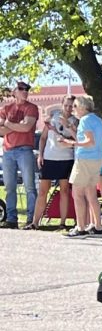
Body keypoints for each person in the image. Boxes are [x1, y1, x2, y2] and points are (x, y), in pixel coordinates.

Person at [62, 95, 102, 237]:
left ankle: (80, 228)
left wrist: (71, 143)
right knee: (91, 194)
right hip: (97, 159)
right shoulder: (97, 120)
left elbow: (89, 141)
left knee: (77, 194)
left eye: (75, 106)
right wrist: (70, 128)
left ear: (82, 107)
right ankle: (98, 227)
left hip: (85, 159)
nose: (73, 109)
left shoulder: (85, 121)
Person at [32, 95, 77, 229]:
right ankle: (35, 222)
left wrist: (64, 127)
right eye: (66, 105)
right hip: (49, 157)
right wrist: (41, 155)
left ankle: (62, 223)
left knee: (64, 191)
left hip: (66, 158)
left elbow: (71, 140)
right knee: (43, 191)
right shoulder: (53, 118)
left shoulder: (75, 121)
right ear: (62, 104)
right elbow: (43, 138)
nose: (68, 108)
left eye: (71, 106)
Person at [1, 80, 40, 229]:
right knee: (10, 186)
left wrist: (8, 125)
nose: (25, 91)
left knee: (29, 186)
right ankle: (11, 219)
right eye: (21, 89)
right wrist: (17, 126)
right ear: (14, 92)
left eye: (26, 89)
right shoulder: (6, 108)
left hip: (25, 150)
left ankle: (31, 219)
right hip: (8, 151)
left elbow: (27, 127)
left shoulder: (32, 108)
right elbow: (0, 130)